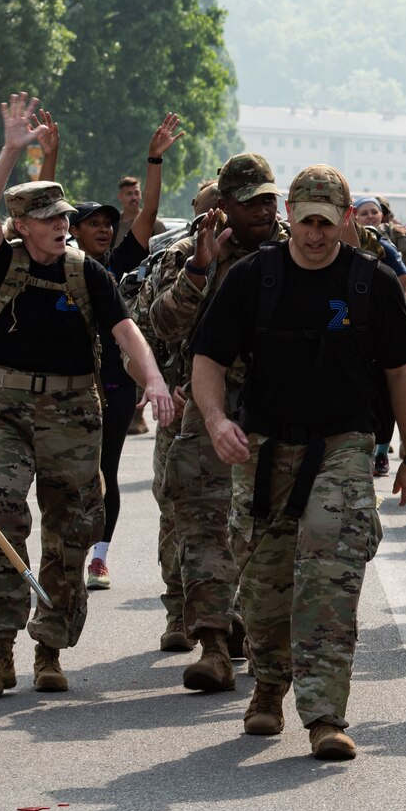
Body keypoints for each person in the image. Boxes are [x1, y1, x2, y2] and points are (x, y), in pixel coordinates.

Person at [190, 165, 406, 760]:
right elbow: (208, 359)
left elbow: (403, 375)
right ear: (289, 217)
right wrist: (219, 422)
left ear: (346, 220)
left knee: (330, 571)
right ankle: (269, 686)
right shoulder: (254, 277)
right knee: (265, 580)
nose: (316, 235)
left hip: (342, 446)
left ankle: (325, 714)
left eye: (326, 222)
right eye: (306, 222)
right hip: (266, 450)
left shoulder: (368, 284)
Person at [0, 96, 174, 697]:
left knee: (71, 530)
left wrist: (153, 378)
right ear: (23, 225)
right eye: (50, 219)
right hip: (6, 409)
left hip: (74, 412)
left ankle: (50, 649)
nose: (63, 226)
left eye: (64, 218)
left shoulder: (89, 273)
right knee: (1, 515)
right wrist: (11, 150)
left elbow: (127, 333)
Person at [135, 152, 288, 684]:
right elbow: (160, 326)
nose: (264, 211)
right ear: (223, 206)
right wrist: (200, 269)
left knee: (261, 528)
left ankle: (251, 624)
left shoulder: (303, 249)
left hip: (279, 408)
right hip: (208, 406)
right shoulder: (189, 254)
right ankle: (214, 644)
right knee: (201, 522)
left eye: (269, 199)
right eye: (251, 203)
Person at [73, 112, 185, 591]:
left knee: (105, 470)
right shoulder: (57, 267)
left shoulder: (119, 264)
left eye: (107, 224)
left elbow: (146, 213)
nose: (102, 230)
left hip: (114, 384)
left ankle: (99, 556)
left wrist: (154, 160)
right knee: (69, 477)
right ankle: (64, 553)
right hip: (67, 387)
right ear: (71, 229)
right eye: (92, 223)